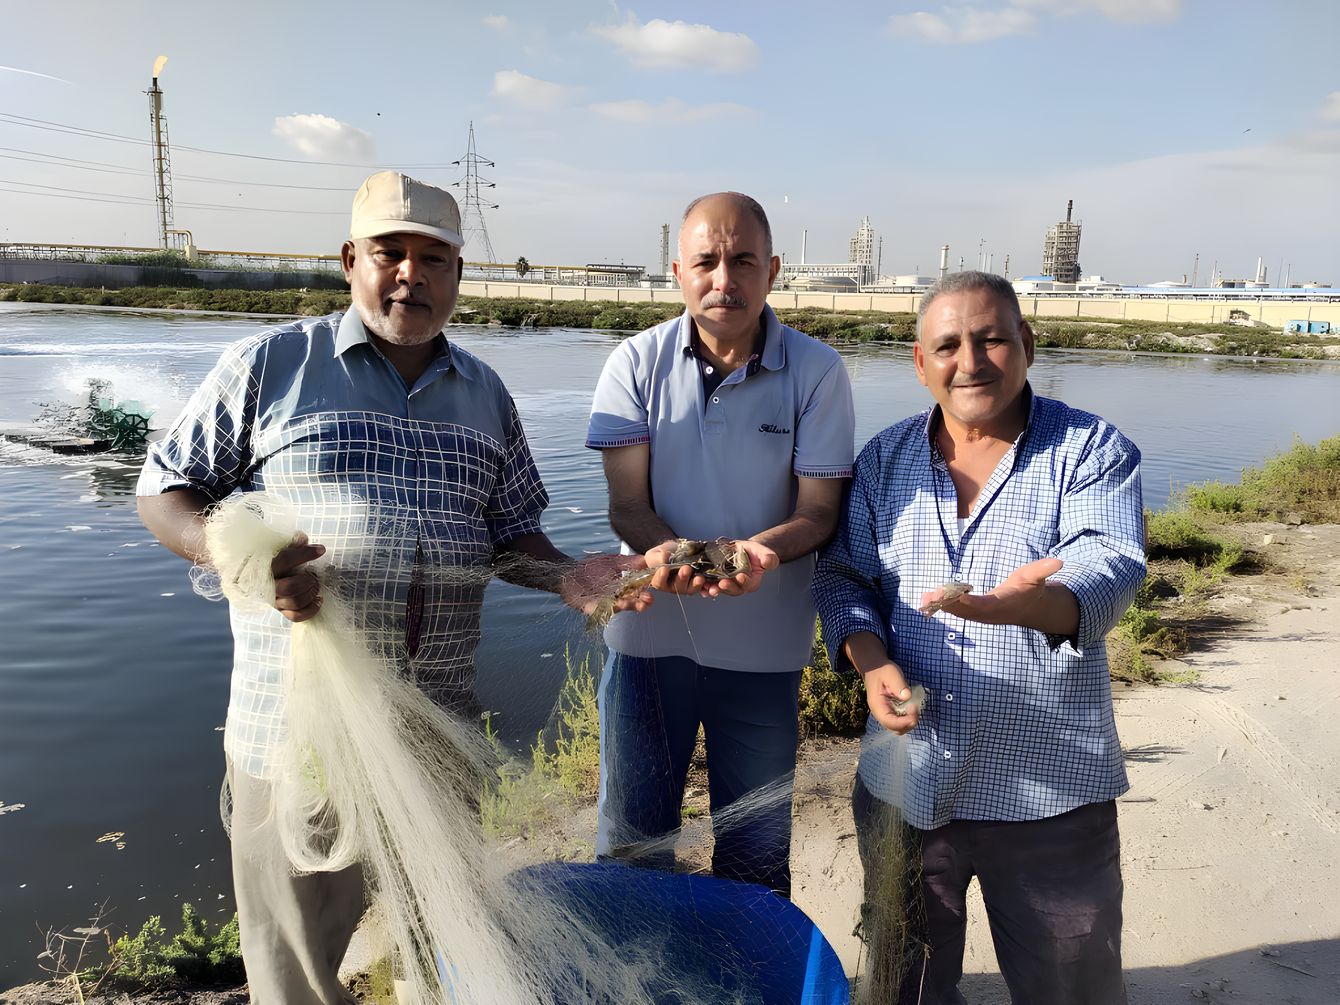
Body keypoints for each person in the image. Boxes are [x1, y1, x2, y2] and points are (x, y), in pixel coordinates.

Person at [137, 171, 644, 1005]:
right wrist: (241, 560)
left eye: (434, 258)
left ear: (456, 275)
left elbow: (511, 536)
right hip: (296, 731)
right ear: (350, 260)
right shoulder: (273, 364)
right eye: (390, 252)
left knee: (441, 943)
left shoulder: (486, 395)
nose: (411, 274)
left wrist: (568, 574)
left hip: (436, 726)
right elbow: (164, 490)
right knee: (297, 964)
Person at [812, 271, 1144, 1003]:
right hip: (906, 785)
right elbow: (843, 577)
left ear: (1025, 344)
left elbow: (1111, 568)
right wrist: (871, 663)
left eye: (993, 338)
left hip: (1052, 795)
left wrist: (1025, 607)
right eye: (949, 344)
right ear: (920, 361)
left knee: (1071, 985)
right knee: (905, 979)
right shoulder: (883, 460)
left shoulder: (1090, 449)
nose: (972, 360)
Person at [585, 191, 856, 897]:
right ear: (678, 270)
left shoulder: (819, 372)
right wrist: (673, 554)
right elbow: (627, 503)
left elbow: (820, 511)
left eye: (742, 261)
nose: (723, 279)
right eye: (705, 261)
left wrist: (757, 552)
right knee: (633, 846)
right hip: (646, 644)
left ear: (772, 269)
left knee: (758, 853)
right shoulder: (633, 364)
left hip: (764, 653)